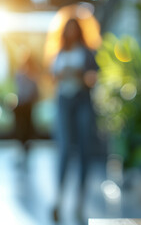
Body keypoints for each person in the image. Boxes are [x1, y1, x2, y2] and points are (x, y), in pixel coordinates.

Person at [51, 18, 98, 223]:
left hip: (82, 102)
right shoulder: (60, 52)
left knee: (84, 150)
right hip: (64, 102)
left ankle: (80, 201)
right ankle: (58, 199)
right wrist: (60, 75)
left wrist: (81, 76)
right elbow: (52, 77)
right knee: (63, 150)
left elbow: (93, 78)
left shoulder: (87, 52)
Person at [14, 53, 39, 166]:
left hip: (28, 106)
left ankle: (26, 152)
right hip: (21, 106)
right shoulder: (20, 75)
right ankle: (22, 151)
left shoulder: (32, 77)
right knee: (20, 130)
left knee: (26, 130)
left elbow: (36, 94)